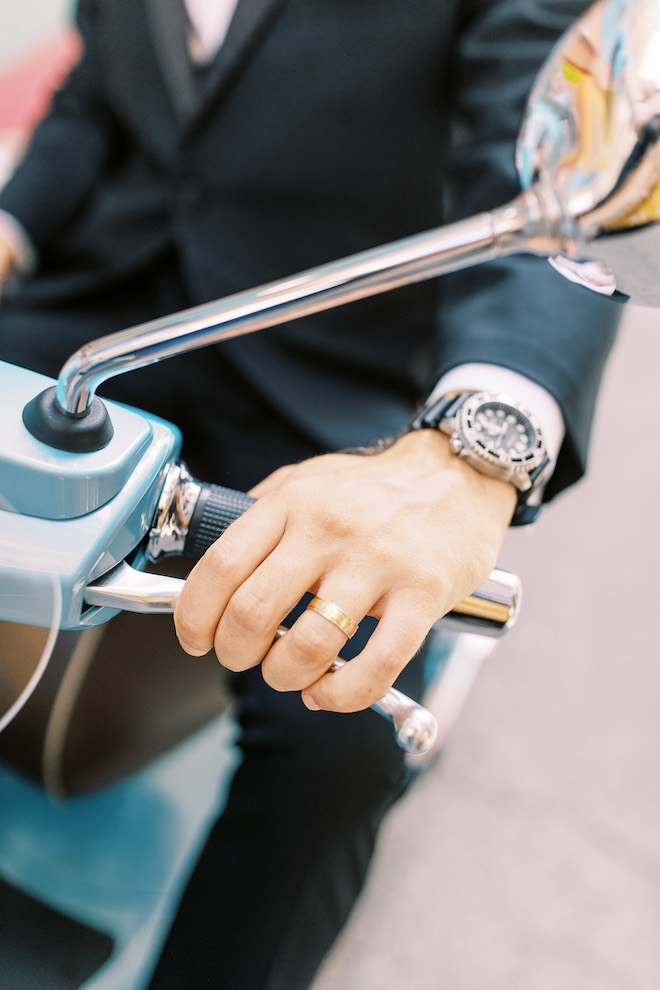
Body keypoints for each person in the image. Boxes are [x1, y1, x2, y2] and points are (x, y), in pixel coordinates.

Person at [0, 1, 621, 987]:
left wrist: (472, 456)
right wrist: (14, 224)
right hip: (96, 318)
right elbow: (94, 98)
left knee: (339, 738)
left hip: (319, 363)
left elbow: (551, 177)